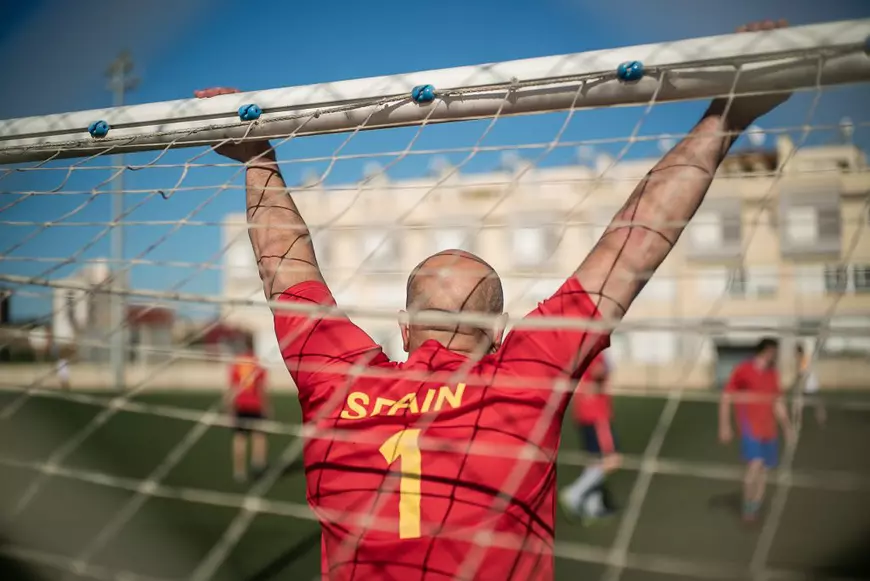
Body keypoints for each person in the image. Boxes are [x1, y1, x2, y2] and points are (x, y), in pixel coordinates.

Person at [196, 19, 790, 580]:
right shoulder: (525, 377)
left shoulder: (340, 380)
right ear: (501, 329)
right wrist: (728, 114)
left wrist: (257, 157)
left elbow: (286, 271)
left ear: (404, 327)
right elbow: (629, 247)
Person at [718, 338, 795, 524]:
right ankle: (747, 506)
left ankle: (755, 507)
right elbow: (727, 396)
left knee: (764, 470)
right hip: (750, 427)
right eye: (772, 352)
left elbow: (778, 403)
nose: (774, 356)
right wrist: (724, 425)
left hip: (769, 429)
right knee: (754, 465)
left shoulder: (772, 375)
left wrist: (788, 428)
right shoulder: (744, 370)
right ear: (764, 351)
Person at [560, 351, 621, 524]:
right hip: (597, 414)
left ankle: (592, 508)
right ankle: (574, 493)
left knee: (594, 462)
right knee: (612, 460)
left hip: (584, 412)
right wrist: (608, 369)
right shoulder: (597, 348)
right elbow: (598, 371)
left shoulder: (586, 348)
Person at [227, 339, 269, 483]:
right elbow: (262, 388)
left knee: (240, 438)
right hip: (255, 405)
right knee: (259, 436)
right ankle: (258, 465)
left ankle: (239, 471)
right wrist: (267, 406)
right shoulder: (257, 363)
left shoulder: (237, 363)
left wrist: (229, 408)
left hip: (240, 405)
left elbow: (232, 388)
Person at [794, 341, 826, 427]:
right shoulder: (803, 360)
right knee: (814, 405)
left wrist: (800, 385)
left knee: (813, 405)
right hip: (811, 386)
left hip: (809, 386)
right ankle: (819, 421)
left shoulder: (803, 361)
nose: (795, 355)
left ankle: (800, 422)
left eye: (796, 353)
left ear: (799, 352)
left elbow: (803, 374)